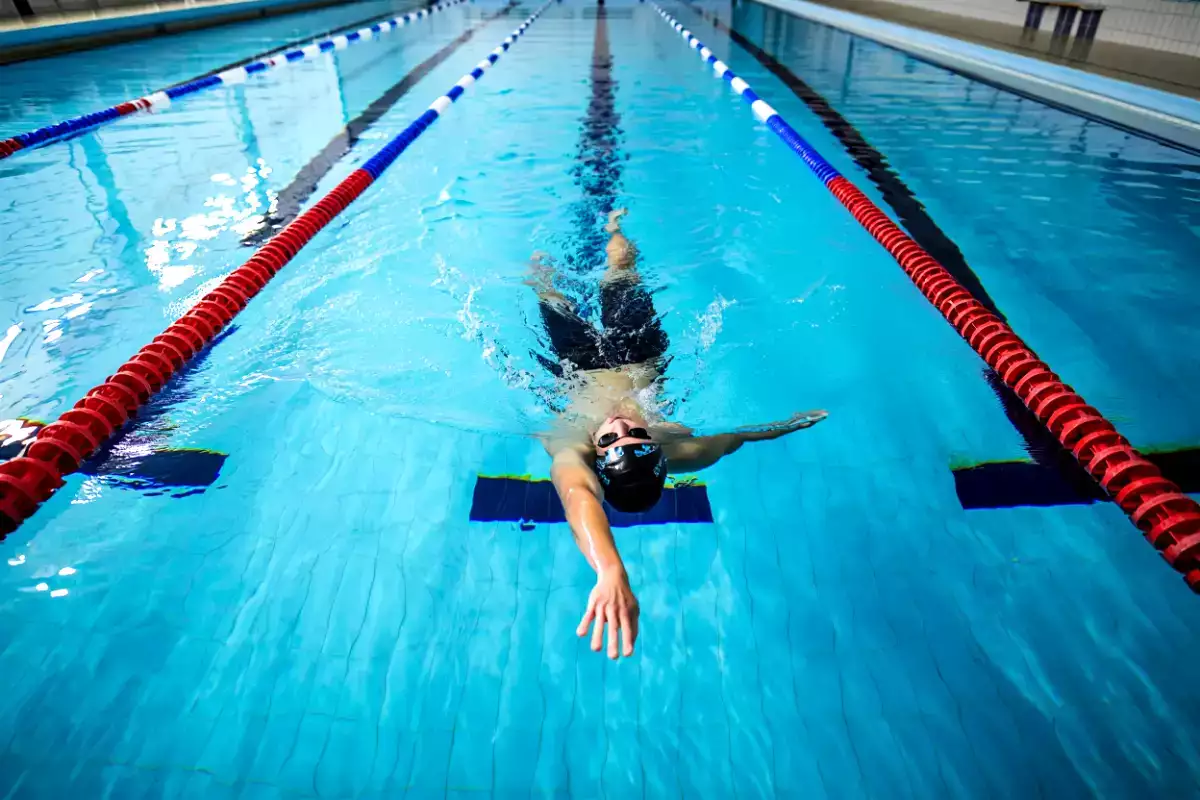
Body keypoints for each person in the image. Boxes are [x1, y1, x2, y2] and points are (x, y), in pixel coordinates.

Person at [530, 209, 827, 661]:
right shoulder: (683, 449)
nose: (619, 425)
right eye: (639, 438)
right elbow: (739, 436)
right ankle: (614, 226)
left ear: (595, 453)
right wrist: (787, 424)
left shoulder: (571, 444)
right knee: (620, 276)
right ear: (659, 451)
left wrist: (610, 569)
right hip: (639, 354)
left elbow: (578, 497)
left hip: (578, 364)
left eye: (611, 442)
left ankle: (538, 240)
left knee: (546, 288)